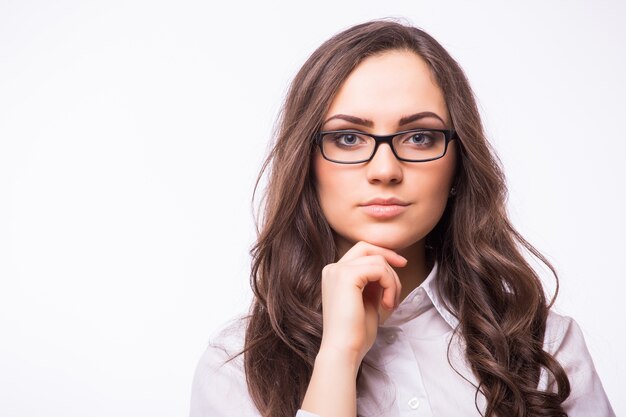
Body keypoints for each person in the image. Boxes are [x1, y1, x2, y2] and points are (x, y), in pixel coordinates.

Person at [189, 19, 615, 417]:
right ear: (307, 164)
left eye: (419, 137)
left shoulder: (545, 345)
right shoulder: (237, 367)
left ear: (458, 164)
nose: (385, 169)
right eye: (348, 138)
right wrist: (337, 356)